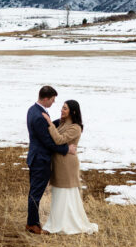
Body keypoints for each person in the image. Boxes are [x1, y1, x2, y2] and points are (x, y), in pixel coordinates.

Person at [41, 100, 98, 235]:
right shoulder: (62, 123)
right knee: (59, 192)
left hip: (66, 164)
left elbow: (59, 139)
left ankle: (67, 224)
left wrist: (49, 123)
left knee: (65, 192)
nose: (62, 110)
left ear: (72, 111)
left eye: (65, 108)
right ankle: (58, 222)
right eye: (62, 107)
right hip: (59, 162)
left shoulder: (75, 127)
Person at [26, 85, 69, 234]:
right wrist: (66, 149)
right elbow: (47, 141)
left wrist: (60, 121)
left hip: (35, 157)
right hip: (40, 160)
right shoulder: (38, 115)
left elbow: (45, 129)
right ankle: (33, 225)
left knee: (34, 192)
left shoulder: (34, 110)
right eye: (52, 100)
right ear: (45, 98)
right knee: (35, 194)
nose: (53, 103)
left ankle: (32, 223)